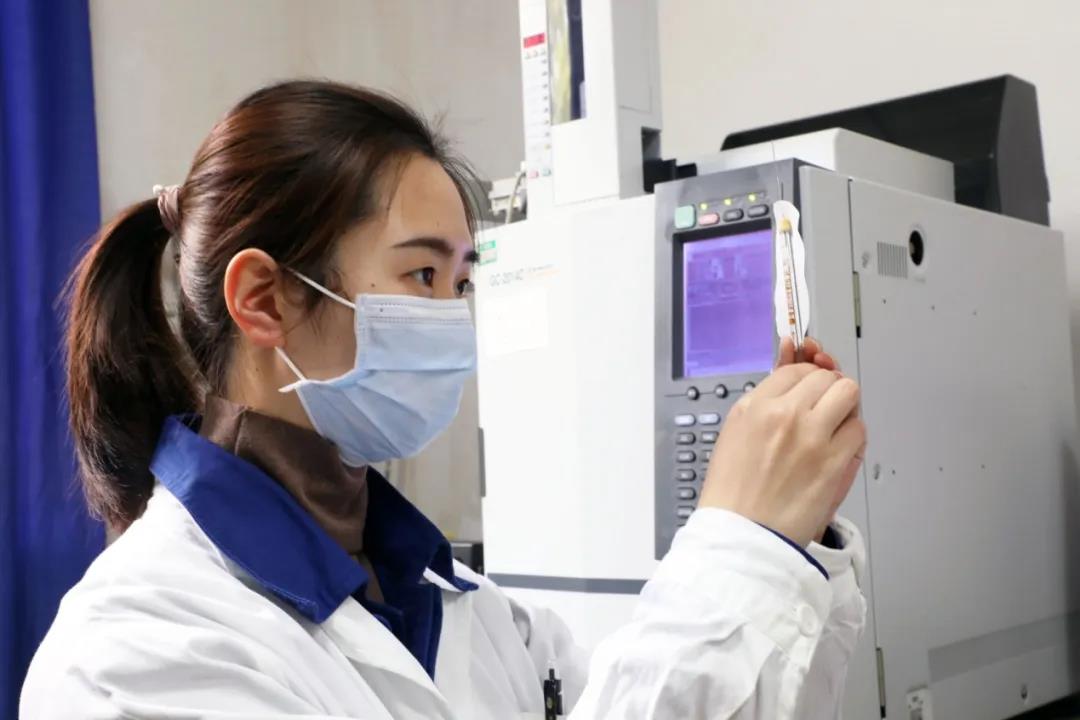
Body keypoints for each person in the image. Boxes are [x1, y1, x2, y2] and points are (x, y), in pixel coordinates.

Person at [20, 81, 867, 719]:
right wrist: (737, 548)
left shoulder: (460, 604)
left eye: (461, 284)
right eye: (421, 274)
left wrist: (788, 539)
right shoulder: (134, 654)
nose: (454, 320)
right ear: (265, 300)